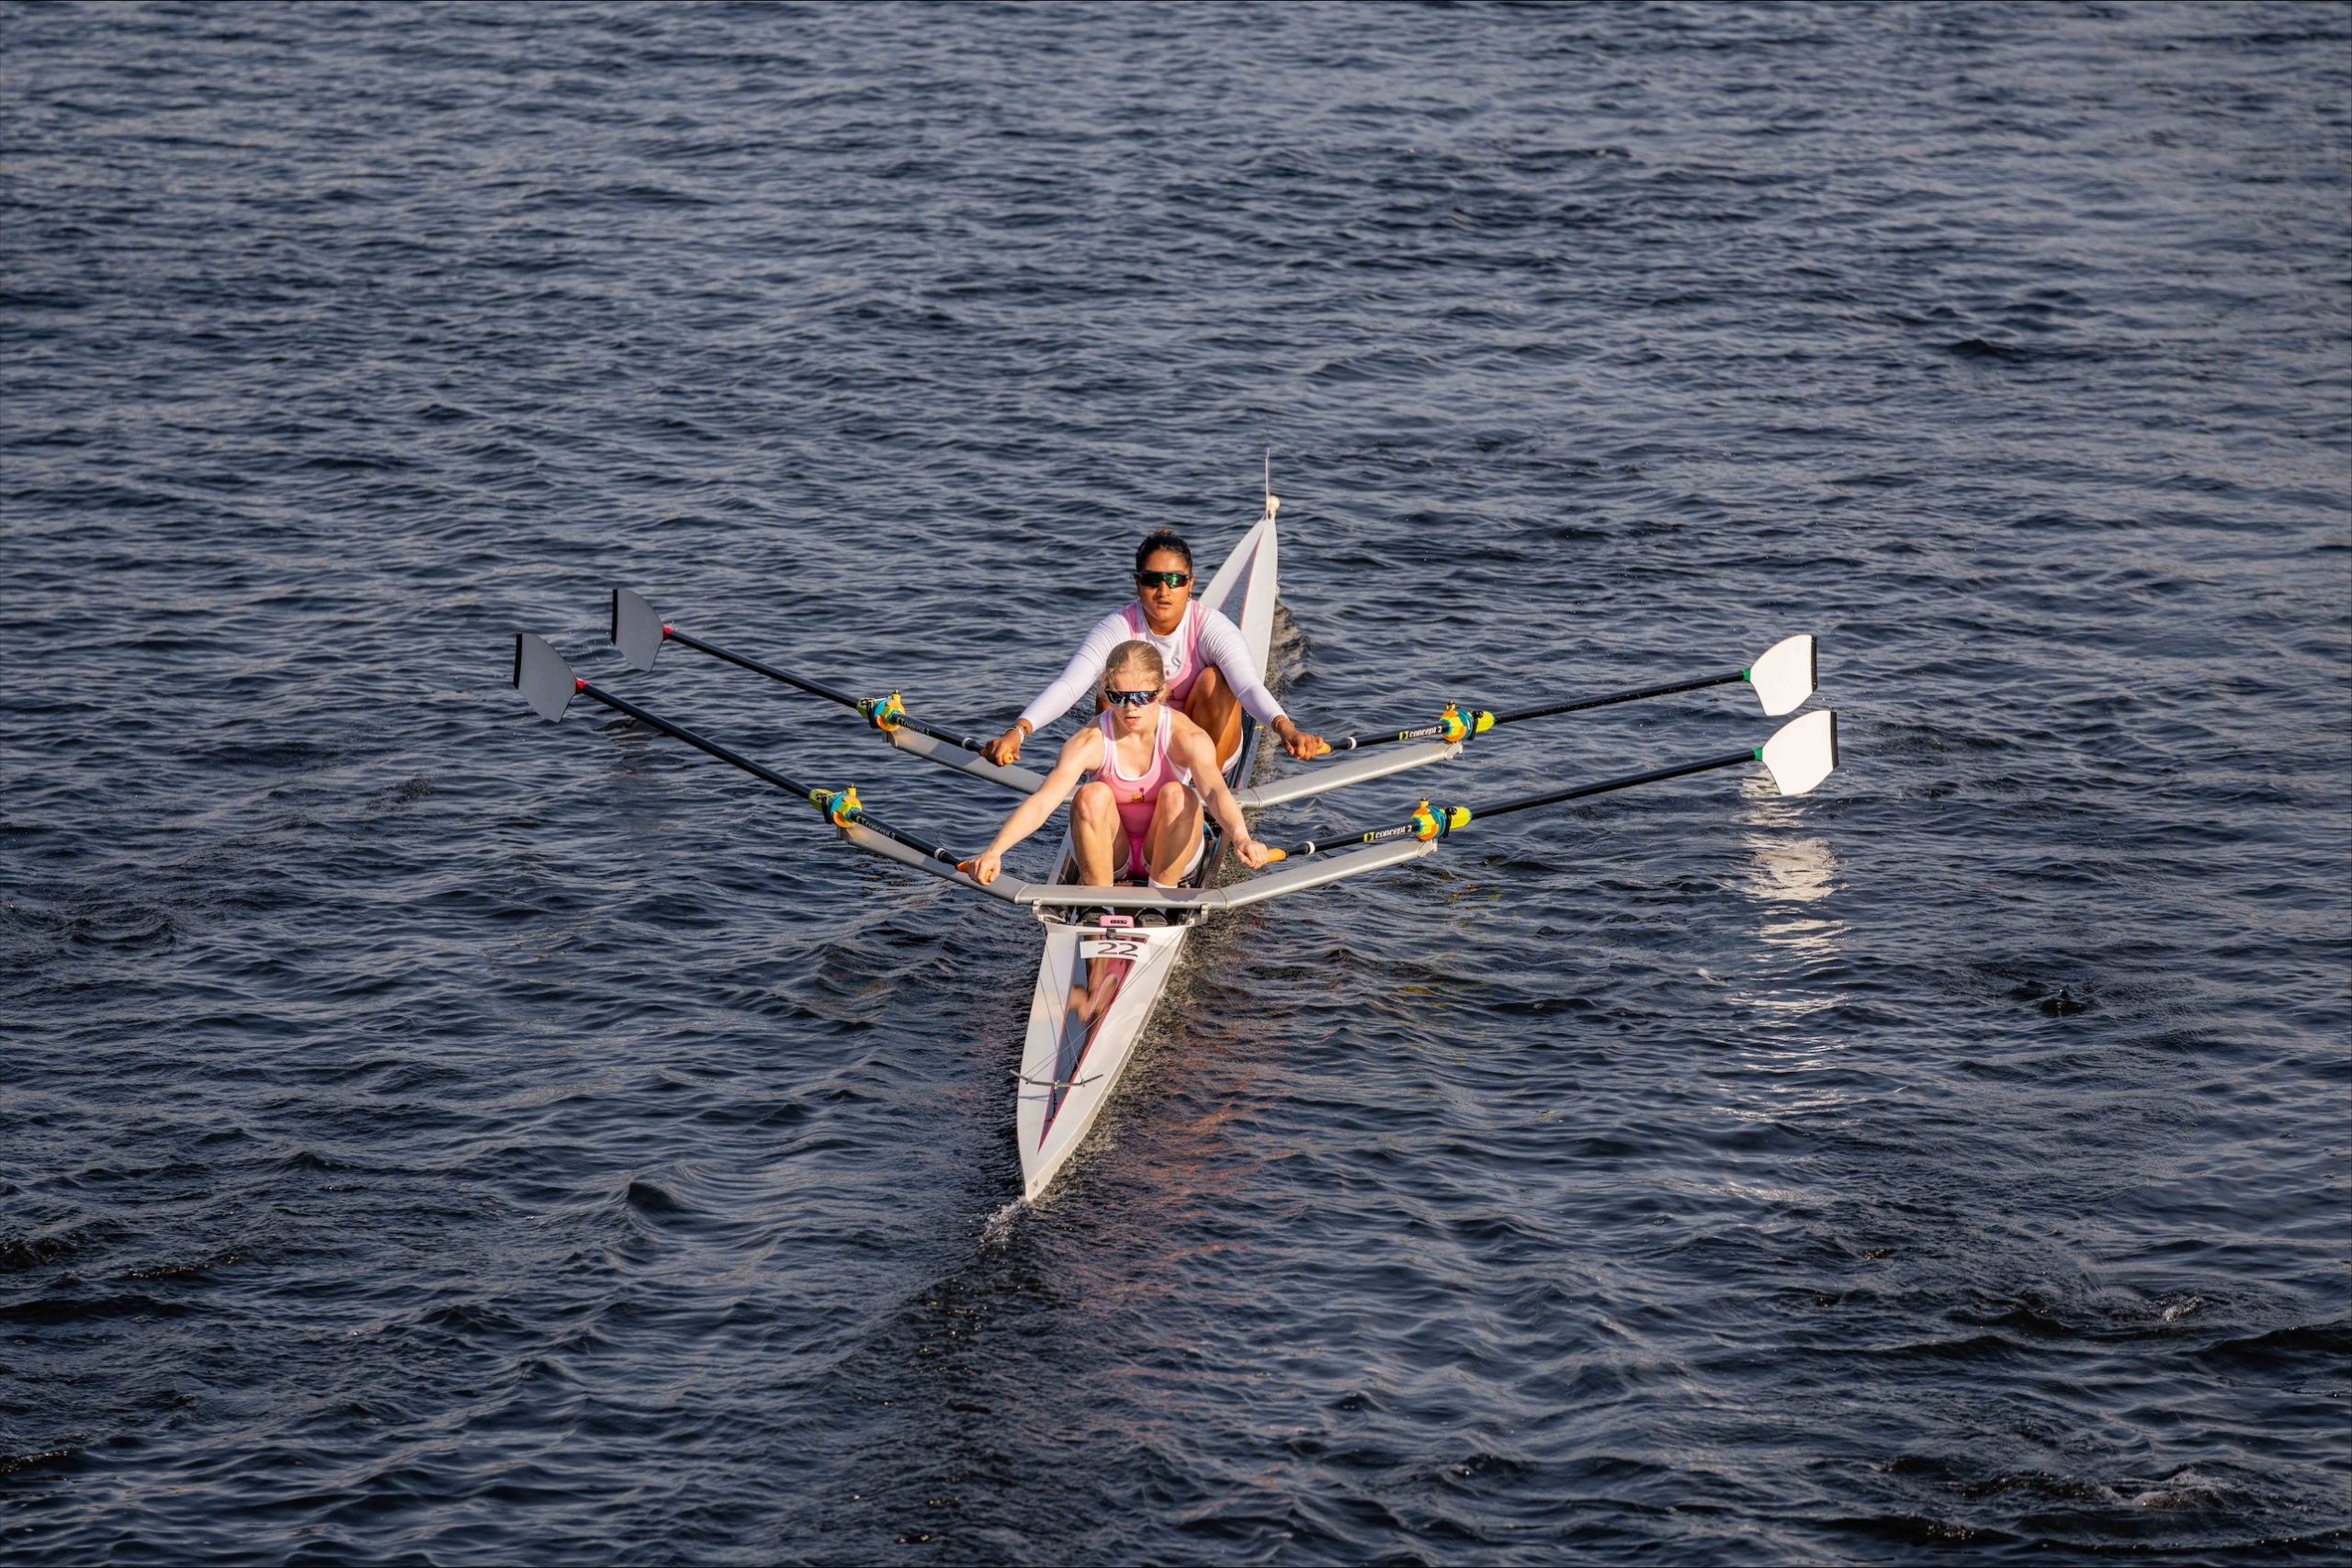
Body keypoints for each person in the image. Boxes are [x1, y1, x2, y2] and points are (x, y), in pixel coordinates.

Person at [980, 528, 1325, 770]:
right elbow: (1070, 685)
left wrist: (1285, 729)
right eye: (1152, 580)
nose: (1163, 589)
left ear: (1190, 584)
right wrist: (1018, 731)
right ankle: (1117, 780)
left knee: (1217, 681)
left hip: (1202, 753)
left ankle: (1206, 796)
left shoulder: (1212, 628)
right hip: (1138, 747)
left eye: (1175, 580)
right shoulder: (1118, 627)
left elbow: (1249, 687)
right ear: (1137, 583)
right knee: (1109, 684)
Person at [962, 641, 1271, 889]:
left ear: (1162, 692)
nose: (1130, 708)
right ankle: (1099, 902)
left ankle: (1160, 898)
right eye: (1119, 697)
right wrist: (995, 850)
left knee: (1181, 795)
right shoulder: (1090, 739)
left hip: (1168, 852)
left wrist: (1241, 836)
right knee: (1089, 795)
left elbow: (1215, 791)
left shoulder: (1185, 735)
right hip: (1113, 853)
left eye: (1141, 696)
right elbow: (1043, 802)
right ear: (1107, 692)